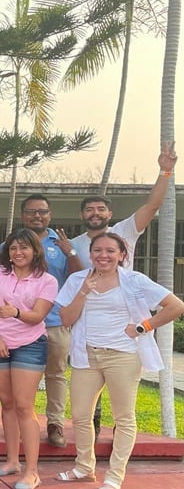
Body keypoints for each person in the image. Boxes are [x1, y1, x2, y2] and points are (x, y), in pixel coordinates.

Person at [54, 232, 184, 489]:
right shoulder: (78, 279)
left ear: (121, 255)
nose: (104, 255)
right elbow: (65, 318)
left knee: (123, 417)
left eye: (111, 251)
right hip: (87, 356)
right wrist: (84, 291)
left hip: (123, 356)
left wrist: (142, 326)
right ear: (90, 254)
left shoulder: (135, 281)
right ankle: (84, 467)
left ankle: (114, 476)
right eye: (98, 250)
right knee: (80, 415)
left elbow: (175, 306)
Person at [68, 143, 177, 434]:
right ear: (82, 216)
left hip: (125, 331)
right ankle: (86, 458)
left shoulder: (124, 230)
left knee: (123, 412)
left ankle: (118, 459)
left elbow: (151, 206)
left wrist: (165, 171)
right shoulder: (76, 245)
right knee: (84, 408)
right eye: (89, 209)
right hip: (90, 331)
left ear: (109, 212)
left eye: (100, 208)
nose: (95, 212)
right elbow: (75, 283)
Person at [0, 229, 58, 489]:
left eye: (24, 248)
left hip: (29, 345)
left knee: (24, 405)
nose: (18, 253)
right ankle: (12, 461)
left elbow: (37, 316)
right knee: (7, 403)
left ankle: (32, 471)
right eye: (13, 248)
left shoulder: (47, 280)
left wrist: (16, 312)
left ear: (35, 251)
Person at [19, 193, 82, 449]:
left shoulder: (62, 243)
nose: (37, 215)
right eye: (32, 211)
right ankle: (26, 424)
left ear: (49, 215)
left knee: (56, 374)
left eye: (42, 211)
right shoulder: (12, 244)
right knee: (23, 375)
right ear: (23, 215)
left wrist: (72, 252)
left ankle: (55, 424)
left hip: (55, 322)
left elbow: (78, 276)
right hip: (21, 323)